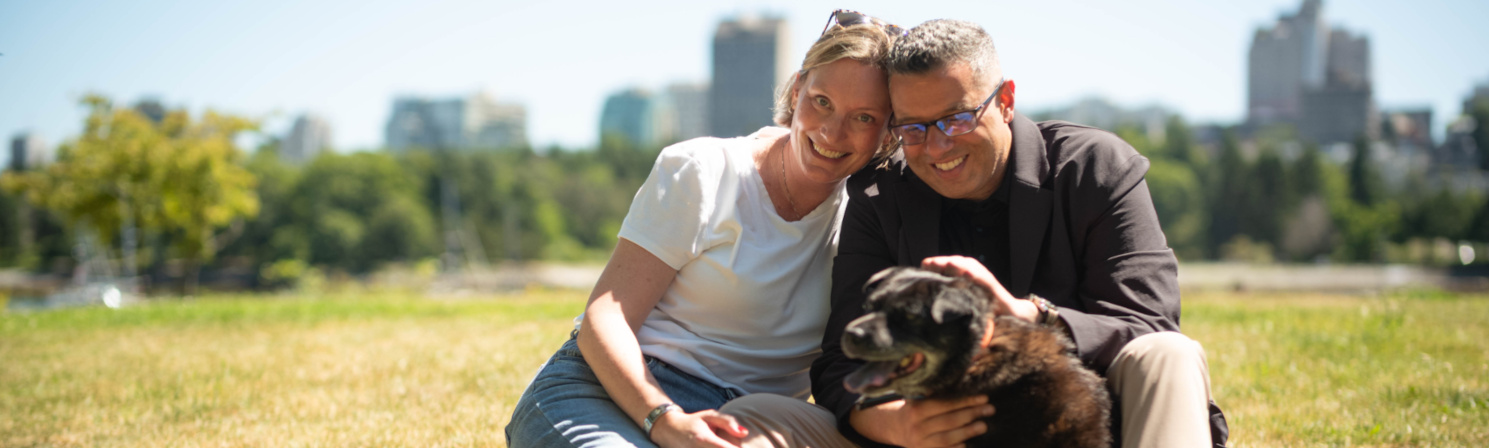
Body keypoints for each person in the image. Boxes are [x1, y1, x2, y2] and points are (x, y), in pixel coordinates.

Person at [733, 19, 1228, 448]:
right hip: (928, 432)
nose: (936, 146)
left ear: (1006, 100)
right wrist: (897, 425)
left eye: (957, 118)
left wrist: (1030, 315)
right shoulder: (881, 199)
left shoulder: (1094, 169)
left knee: (1170, 354)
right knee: (758, 416)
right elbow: (842, 359)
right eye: (913, 129)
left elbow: (1149, 323)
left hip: (1082, 429)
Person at [504, 10, 903, 448]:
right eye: (821, 101)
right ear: (796, 90)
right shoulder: (703, 169)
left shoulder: (871, 214)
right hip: (614, 389)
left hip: (749, 420)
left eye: (863, 117)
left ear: (888, 133)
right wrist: (663, 418)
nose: (831, 130)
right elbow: (606, 316)